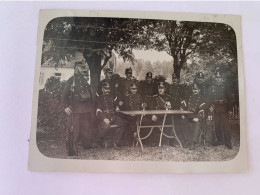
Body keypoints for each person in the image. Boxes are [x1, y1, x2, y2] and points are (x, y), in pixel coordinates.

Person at [62, 61, 94, 154]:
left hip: (85, 109)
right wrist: (65, 106)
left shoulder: (84, 80)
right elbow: (64, 95)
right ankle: (72, 149)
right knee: (75, 129)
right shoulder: (71, 80)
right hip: (75, 109)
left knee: (86, 127)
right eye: (81, 67)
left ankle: (86, 144)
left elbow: (89, 93)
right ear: (76, 69)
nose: (83, 69)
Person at [206, 70, 233, 149]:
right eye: (217, 77)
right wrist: (210, 106)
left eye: (219, 77)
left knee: (226, 126)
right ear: (215, 78)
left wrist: (230, 109)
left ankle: (228, 142)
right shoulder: (212, 87)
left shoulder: (225, 87)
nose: (218, 79)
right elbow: (209, 98)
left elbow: (230, 98)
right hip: (216, 109)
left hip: (224, 109)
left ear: (221, 78)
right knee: (217, 125)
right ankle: (220, 140)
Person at [96, 82, 127, 149]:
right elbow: (98, 111)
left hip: (113, 117)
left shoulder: (111, 97)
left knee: (123, 123)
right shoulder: (99, 98)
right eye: (106, 88)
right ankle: (99, 140)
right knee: (106, 127)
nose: (108, 90)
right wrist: (104, 119)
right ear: (102, 89)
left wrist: (117, 108)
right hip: (104, 117)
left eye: (108, 89)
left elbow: (115, 106)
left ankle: (115, 142)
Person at [180, 83, 206, 150]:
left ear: (199, 90)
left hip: (197, 117)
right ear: (192, 90)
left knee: (196, 123)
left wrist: (198, 117)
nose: (195, 91)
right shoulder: (189, 97)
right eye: (194, 89)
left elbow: (202, 110)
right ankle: (187, 140)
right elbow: (183, 106)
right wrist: (182, 114)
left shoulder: (201, 99)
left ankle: (193, 142)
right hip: (189, 117)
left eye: (196, 89)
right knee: (182, 121)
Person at [168, 73, 188, 147]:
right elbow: (168, 98)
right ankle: (171, 141)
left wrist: (182, 110)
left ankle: (185, 141)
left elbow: (184, 99)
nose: (174, 80)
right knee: (172, 123)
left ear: (178, 80)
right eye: (173, 78)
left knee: (183, 122)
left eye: (176, 79)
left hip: (180, 109)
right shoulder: (169, 87)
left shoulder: (181, 88)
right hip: (172, 109)